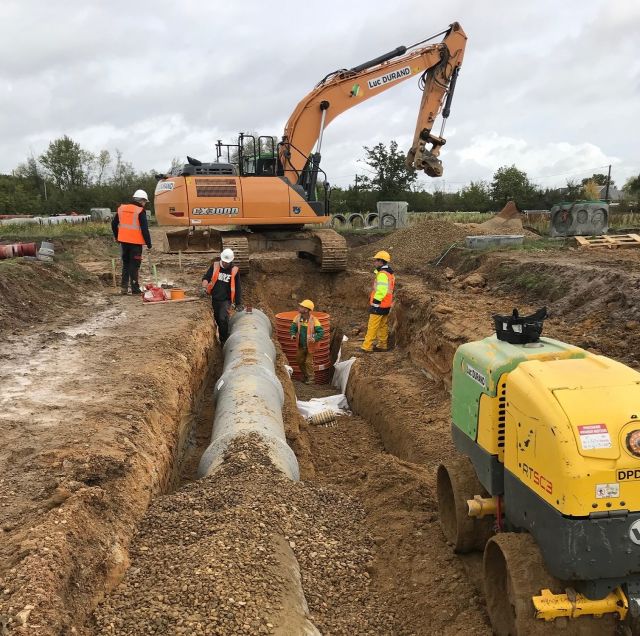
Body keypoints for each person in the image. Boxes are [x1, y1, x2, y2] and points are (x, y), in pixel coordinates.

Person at [111, 189, 152, 295]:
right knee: (135, 265)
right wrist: (149, 244)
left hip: (124, 242)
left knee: (126, 264)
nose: (144, 204)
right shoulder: (140, 210)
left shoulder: (121, 208)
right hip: (135, 244)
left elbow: (113, 224)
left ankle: (124, 288)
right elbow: (144, 229)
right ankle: (135, 288)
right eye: (144, 202)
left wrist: (117, 237)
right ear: (142, 200)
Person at [201, 248, 241, 344]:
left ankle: (224, 340)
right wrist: (204, 286)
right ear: (221, 258)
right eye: (225, 261)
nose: (226, 264)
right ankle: (221, 334)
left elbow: (238, 287)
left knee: (223, 318)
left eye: (228, 262)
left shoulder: (234, 270)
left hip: (226, 300)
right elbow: (206, 277)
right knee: (217, 318)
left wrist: (238, 302)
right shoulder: (215, 266)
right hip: (215, 298)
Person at [361, 250, 395, 352]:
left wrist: (375, 303)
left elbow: (381, 290)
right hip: (386, 304)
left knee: (372, 325)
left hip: (379, 304)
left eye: (376, 260)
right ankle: (382, 344)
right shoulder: (389, 273)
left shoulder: (382, 274)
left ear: (381, 261)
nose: (374, 262)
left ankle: (367, 346)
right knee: (382, 325)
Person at [290, 299, 324, 384]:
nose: (299, 308)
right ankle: (306, 376)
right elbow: (293, 327)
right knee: (299, 360)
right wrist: (293, 334)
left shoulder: (314, 320)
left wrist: (315, 338)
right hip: (301, 345)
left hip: (310, 345)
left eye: (301, 307)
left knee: (308, 362)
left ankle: (311, 379)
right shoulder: (297, 318)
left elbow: (321, 332)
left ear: (306, 310)